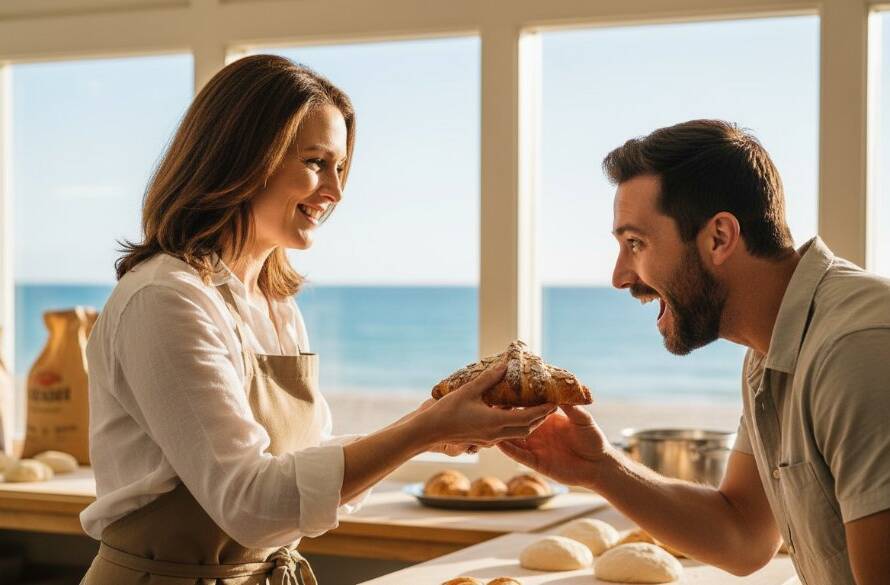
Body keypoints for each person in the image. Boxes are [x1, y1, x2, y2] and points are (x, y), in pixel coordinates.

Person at [79, 55, 555, 585]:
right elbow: (250, 504)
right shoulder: (164, 299)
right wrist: (422, 431)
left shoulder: (274, 305)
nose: (335, 191)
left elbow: (298, 472)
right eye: (314, 162)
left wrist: (422, 430)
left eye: (341, 168)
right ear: (240, 157)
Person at [498, 120, 890, 585]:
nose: (620, 276)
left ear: (720, 237)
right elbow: (742, 535)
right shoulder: (771, 352)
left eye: (636, 243)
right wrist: (599, 469)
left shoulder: (857, 348)